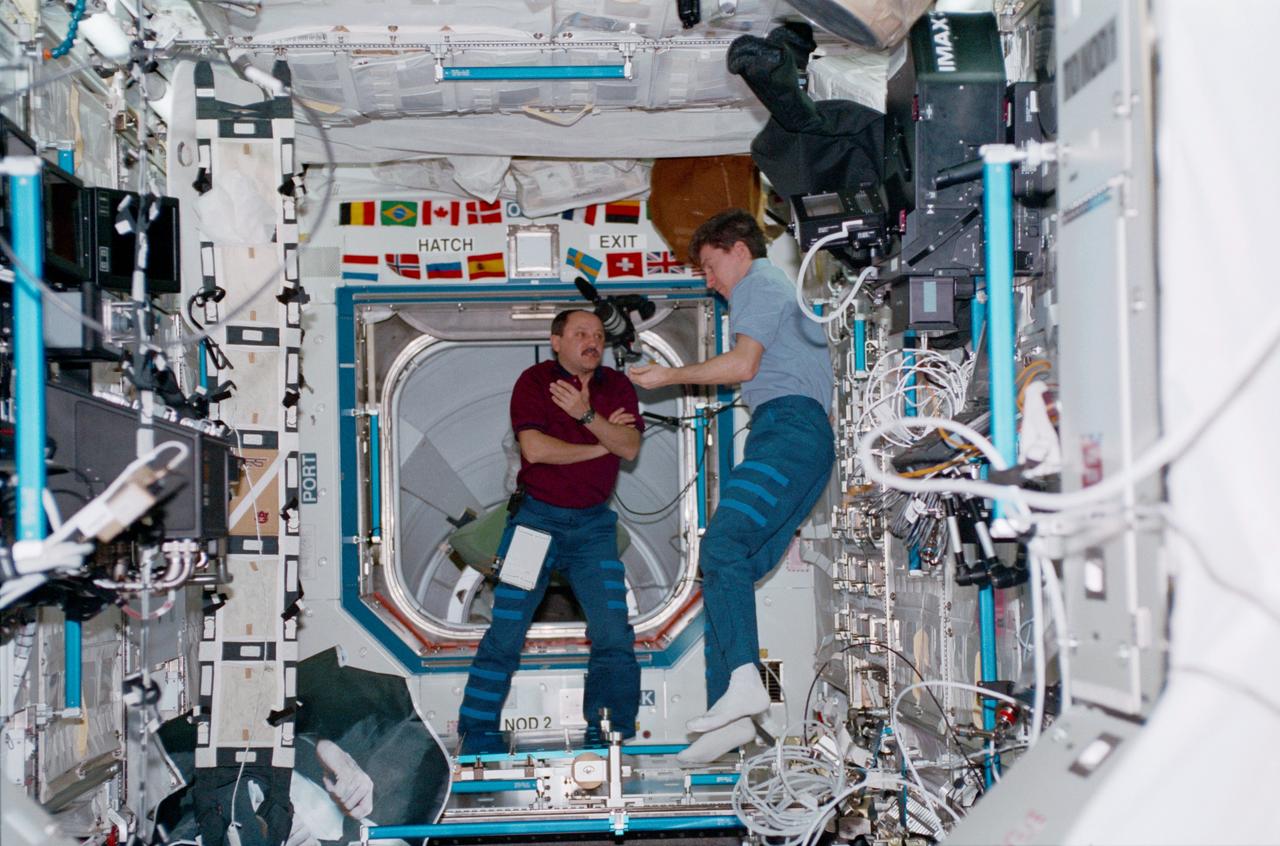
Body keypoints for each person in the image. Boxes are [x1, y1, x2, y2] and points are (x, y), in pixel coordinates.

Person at [629, 209, 835, 764]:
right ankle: (734, 712)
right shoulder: (765, 290)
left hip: (789, 430)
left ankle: (744, 688)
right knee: (728, 560)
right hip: (791, 434)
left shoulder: (758, 283)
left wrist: (667, 376)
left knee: (722, 546)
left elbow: (744, 366)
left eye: (709, 265)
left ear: (738, 250)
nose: (708, 280)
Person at [457, 309, 644, 753]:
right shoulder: (534, 383)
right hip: (535, 524)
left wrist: (584, 416)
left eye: (598, 334)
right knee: (505, 630)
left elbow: (631, 446)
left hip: (593, 528)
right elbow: (536, 450)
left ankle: (610, 731)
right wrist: (603, 441)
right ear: (556, 341)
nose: (592, 341)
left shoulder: (615, 386)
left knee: (614, 632)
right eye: (580, 333)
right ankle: (476, 733)